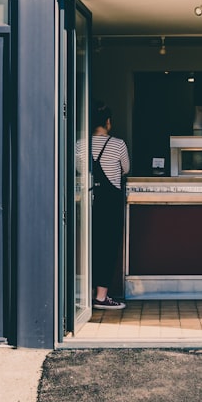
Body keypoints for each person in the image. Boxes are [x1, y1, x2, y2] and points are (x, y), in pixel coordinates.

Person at [89, 100, 130, 311]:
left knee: (89, 247)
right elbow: (126, 169)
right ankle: (102, 297)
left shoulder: (79, 145)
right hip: (110, 204)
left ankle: (84, 292)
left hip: (87, 203)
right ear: (108, 122)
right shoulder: (118, 144)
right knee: (108, 248)